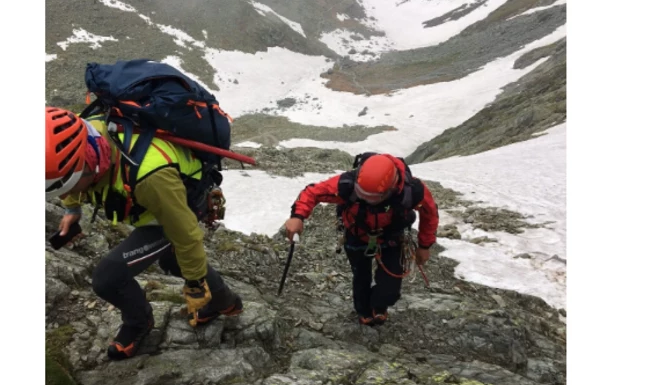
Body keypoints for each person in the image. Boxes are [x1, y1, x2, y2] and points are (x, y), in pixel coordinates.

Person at [45, 106, 243, 360]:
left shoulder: (152, 176)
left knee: (107, 278)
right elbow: (65, 177)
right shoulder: (86, 135)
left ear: (92, 164)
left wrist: (195, 286)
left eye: (71, 183)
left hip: (177, 207)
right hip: (155, 203)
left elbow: (185, 233)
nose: (67, 191)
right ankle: (226, 301)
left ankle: (139, 322)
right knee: (172, 259)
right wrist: (73, 209)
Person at [283, 153, 438, 326]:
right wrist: (298, 216)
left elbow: (430, 214)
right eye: (361, 194)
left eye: (373, 197)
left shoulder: (412, 190)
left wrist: (424, 246)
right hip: (357, 235)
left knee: (390, 290)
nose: (366, 199)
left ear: (392, 188)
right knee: (361, 276)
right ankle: (364, 311)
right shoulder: (347, 183)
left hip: (392, 237)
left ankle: (380, 305)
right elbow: (312, 193)